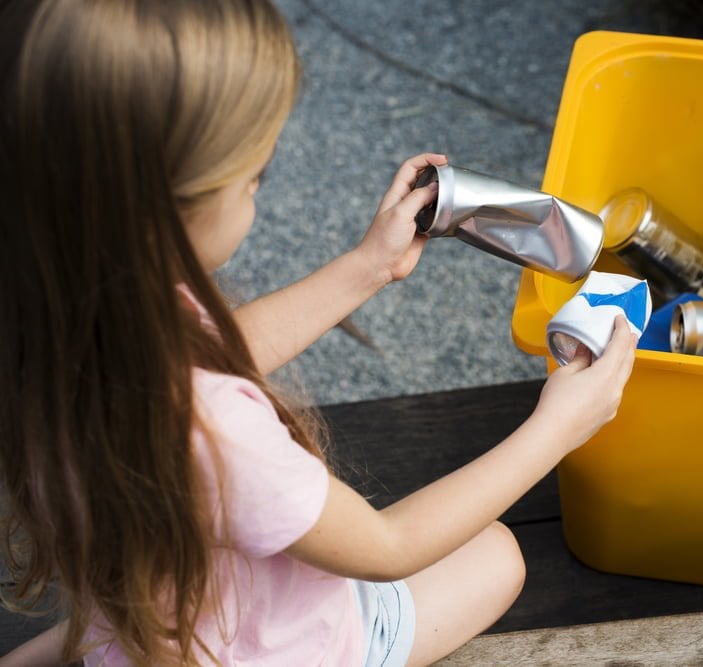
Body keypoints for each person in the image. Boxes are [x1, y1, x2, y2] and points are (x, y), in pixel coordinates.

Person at [0, 0, 637, 665]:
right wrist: (559, 428)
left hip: (151, 600)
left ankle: (103, 642)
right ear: (162, 211)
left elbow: (218, 353)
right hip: (280, 646)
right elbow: (388, 547)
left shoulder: (65, 309)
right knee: (500, 555)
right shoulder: (215, 432)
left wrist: (368, 267)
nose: (259, 192)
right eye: (254, 179)